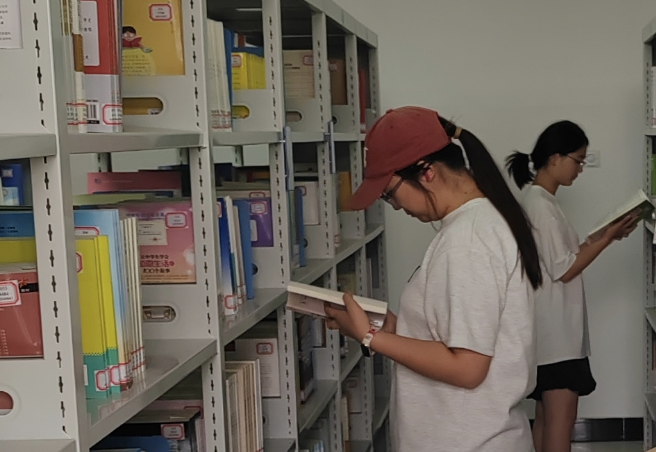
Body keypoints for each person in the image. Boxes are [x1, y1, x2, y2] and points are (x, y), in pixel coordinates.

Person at [324, 106, 543, 452]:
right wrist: (391, 327)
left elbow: (468, 367)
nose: (395, 206)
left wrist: (370, 337)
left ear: (427, 172)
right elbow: (455, 337)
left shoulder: (468, 241)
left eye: (389, 193)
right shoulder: (481, 223)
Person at [505, 120, 638, 452]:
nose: (580, 169)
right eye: (577, 160)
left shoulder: (542, 201)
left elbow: (562, 257)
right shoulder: (540, 205)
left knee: (547, 420)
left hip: (551, 334)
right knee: (560, 425)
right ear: (555, 158)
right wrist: (605, 240)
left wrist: (605, 236)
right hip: (558, 338)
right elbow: (564, 269)